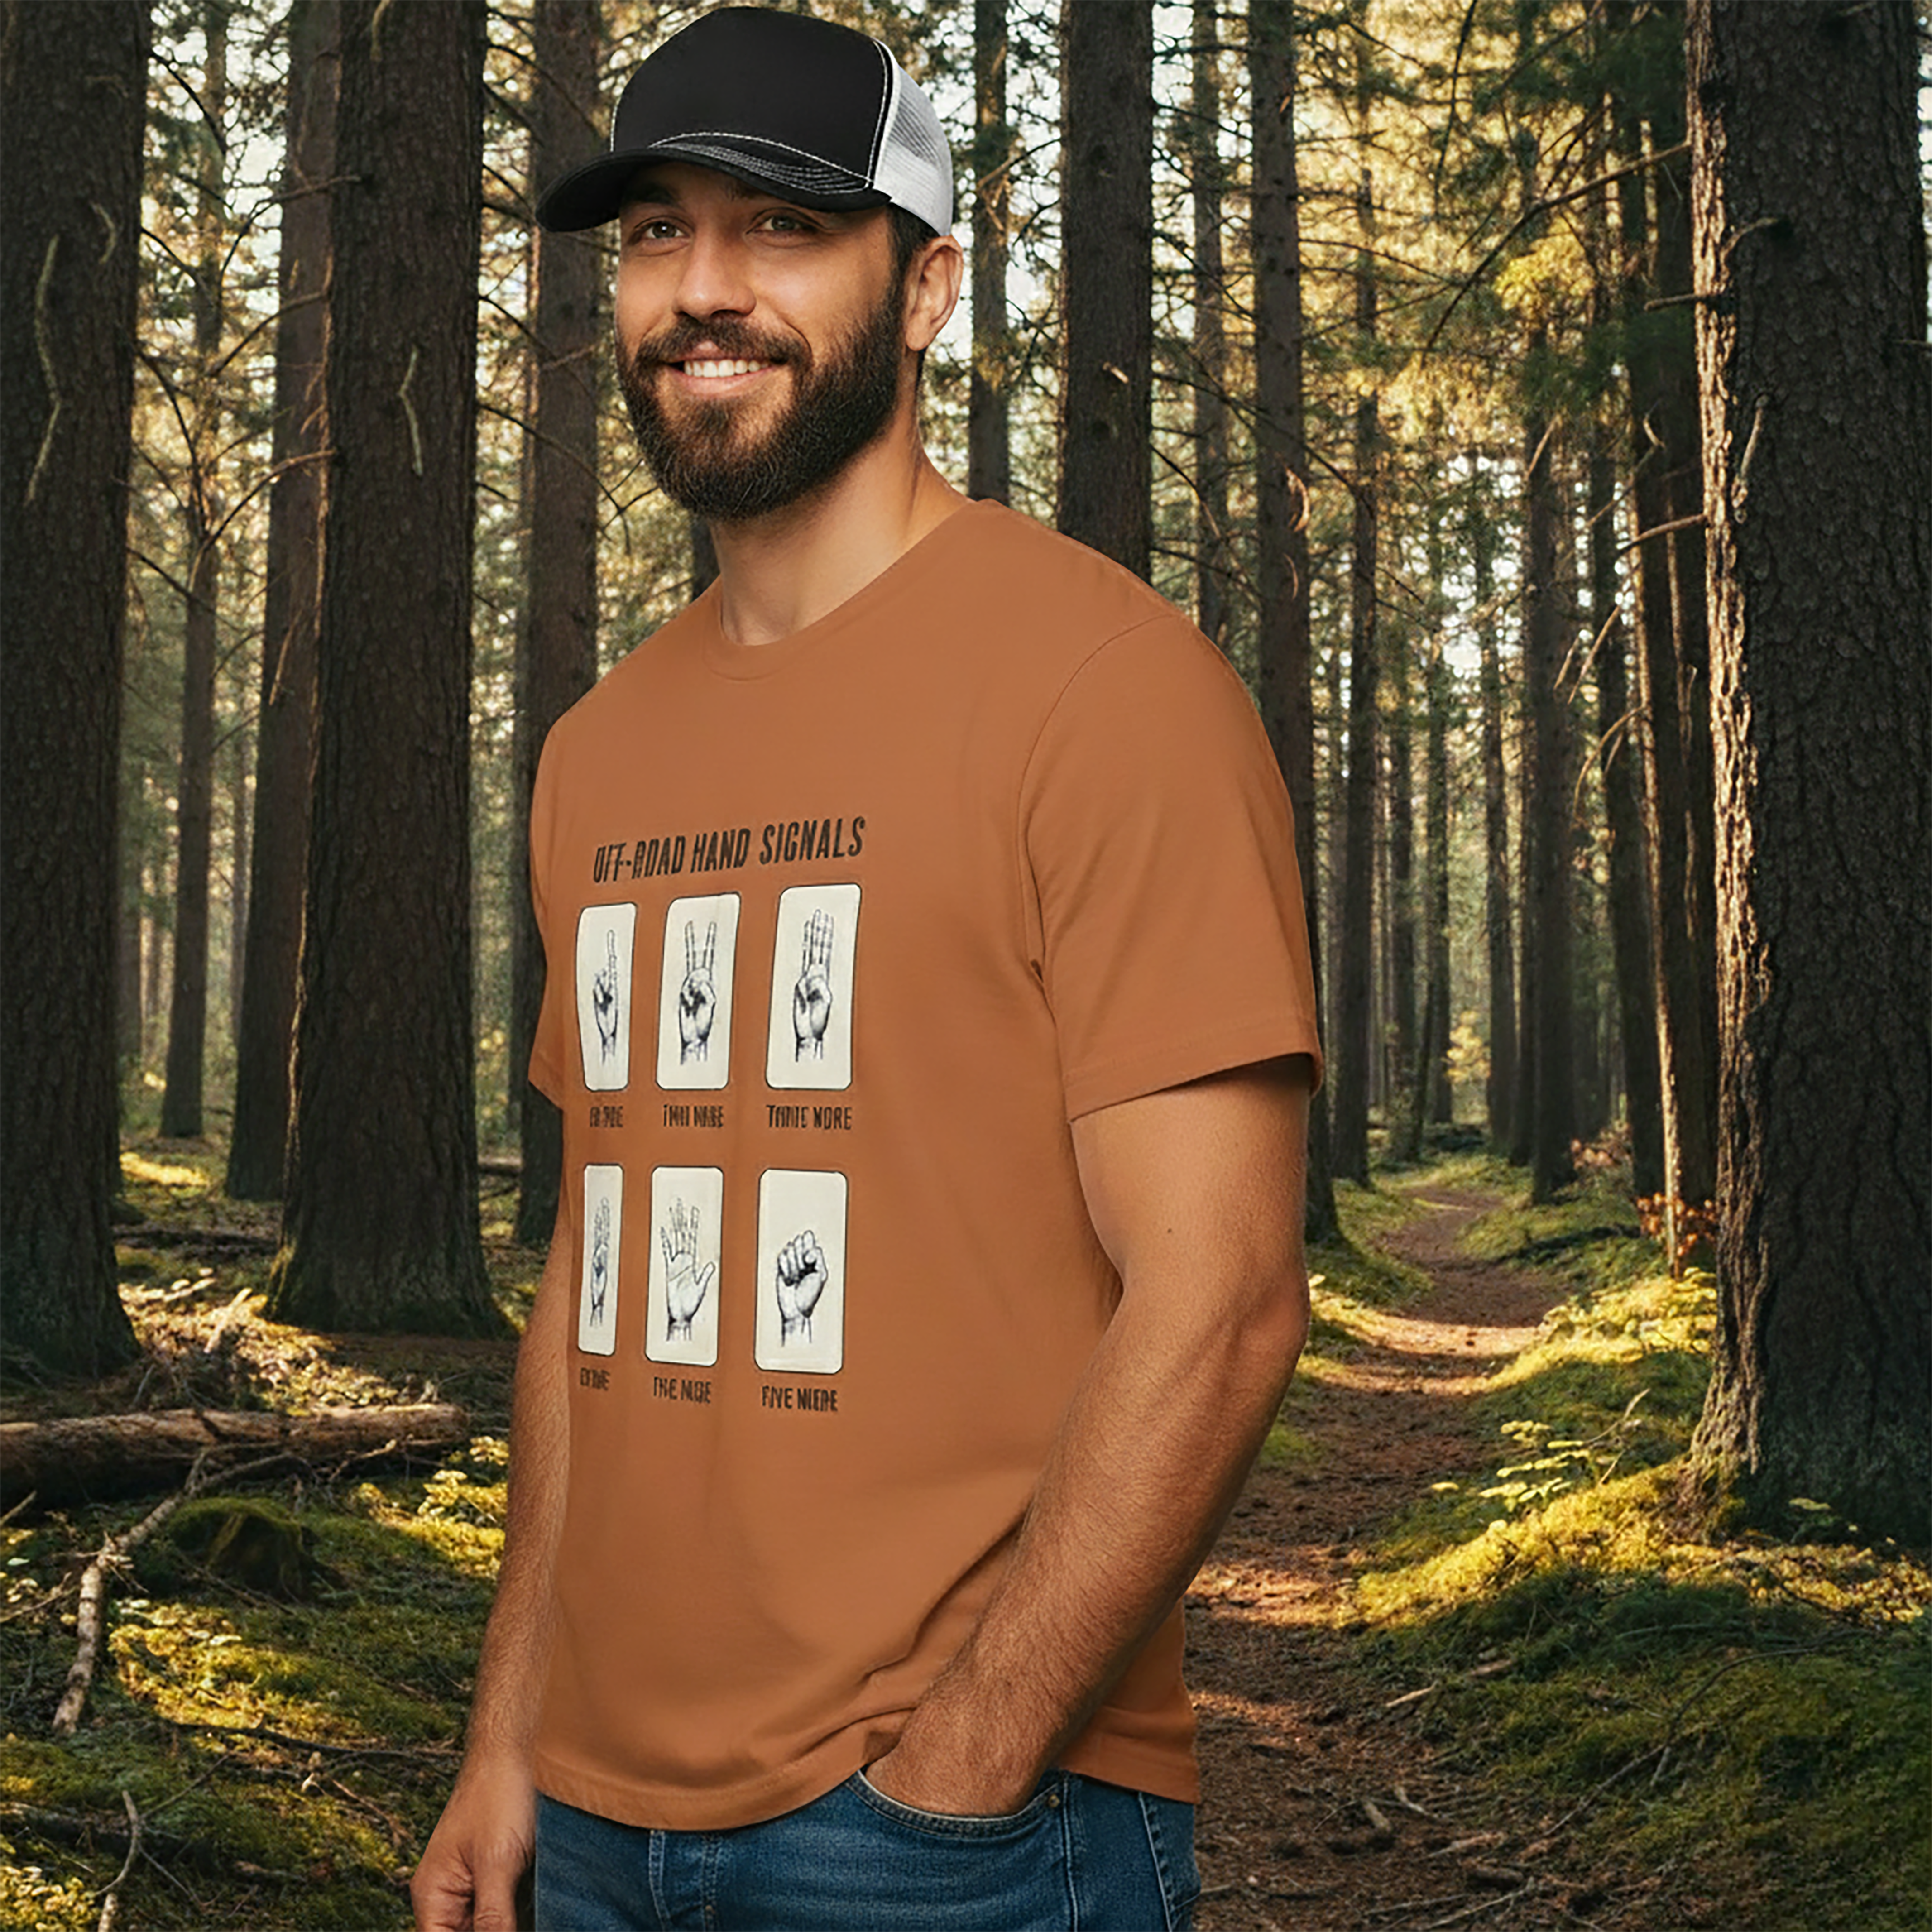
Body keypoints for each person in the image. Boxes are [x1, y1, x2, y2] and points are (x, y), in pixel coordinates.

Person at [412, 9, 1323, 1928]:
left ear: (923, 292)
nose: (704, 289)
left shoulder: (1105, 689)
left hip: (950, 1837)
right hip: (580, 1823)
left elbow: (1224, 1293)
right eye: (654, 232)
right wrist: (508, 1740)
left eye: (780, 227)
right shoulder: (599, 750)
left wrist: (956, 1776)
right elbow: (598, 1270)